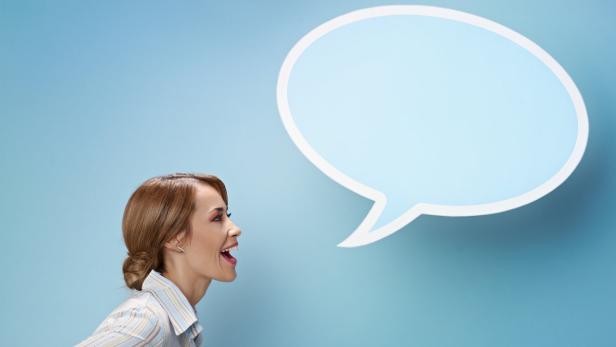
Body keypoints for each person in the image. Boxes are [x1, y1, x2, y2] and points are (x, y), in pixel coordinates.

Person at [76, 173, 242, 346]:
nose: (236, 229)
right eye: (217, 218)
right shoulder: (150, 322)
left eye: (227, 216)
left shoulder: (176, 325)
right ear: (174, 237)